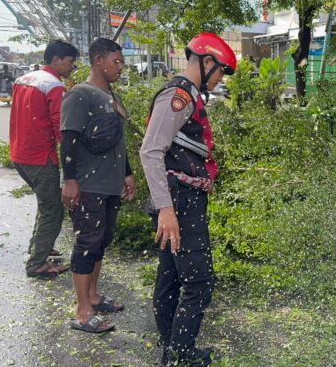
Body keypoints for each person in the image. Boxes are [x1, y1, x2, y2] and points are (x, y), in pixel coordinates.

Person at [139, 32, 235, 367]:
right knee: (199, 282)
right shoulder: (178, 96)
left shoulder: (190, 96)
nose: (221, 78)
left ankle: (170, 347)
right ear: (207, 62)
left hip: (180, 199)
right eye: (221, 71)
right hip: (179, 201)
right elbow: (151, 151)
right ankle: (180, 355)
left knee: (170, 276)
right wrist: (166, 208)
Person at [60, 38, 136, 334]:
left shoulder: (111, 95)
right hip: (88, 185)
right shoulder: (81, 95)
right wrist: (70, 180)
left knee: (101, 241)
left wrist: (127, 173)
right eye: (116, 61)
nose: (121, 67)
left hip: (109, 184)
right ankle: (83, 312)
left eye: (122, 62)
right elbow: (68, 139)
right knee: (86, 244)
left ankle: (93, 295)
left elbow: (118, 140)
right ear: (98, 61)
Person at [9, 39, 79, 278]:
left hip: (20, 154)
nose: (72, 66)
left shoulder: (24, 79)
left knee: (45, 203)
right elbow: (62, 129)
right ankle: (37, 263)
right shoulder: (54, 86)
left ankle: (40, 246)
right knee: (53, 210)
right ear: (56, 60)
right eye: (70, 61)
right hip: (40, 157)